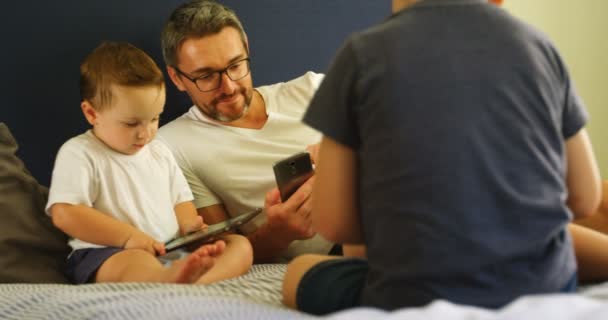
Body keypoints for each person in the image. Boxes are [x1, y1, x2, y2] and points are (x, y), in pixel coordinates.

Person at [282, 0, 602, 314]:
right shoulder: (538, 46)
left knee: (298, 272)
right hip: (547, 285)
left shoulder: (359, 56)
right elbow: (585, 198)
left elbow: (335, 223)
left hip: (412, 293)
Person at [46, 41, 253, 284]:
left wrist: (190, 227)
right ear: (92, 113)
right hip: (109, 252)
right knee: (133, 262)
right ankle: (165, 279)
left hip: (171, 248)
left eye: (154, 118)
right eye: (132, 123)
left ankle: (199, 282)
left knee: (239, 244)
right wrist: (128, 238)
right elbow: (65, 214)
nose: (146, 133)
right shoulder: (80, 153)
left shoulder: (159, 151)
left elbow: (181, 201)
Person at [158, 0, 338, 263]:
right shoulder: (173, 146)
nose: (229, 87)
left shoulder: (313, 89)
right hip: (328, 257)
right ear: (177, 79)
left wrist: (347, 155)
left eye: (235, 66)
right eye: (206, 76)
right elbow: (223, 252)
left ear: (246, 50)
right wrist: (278, 233)